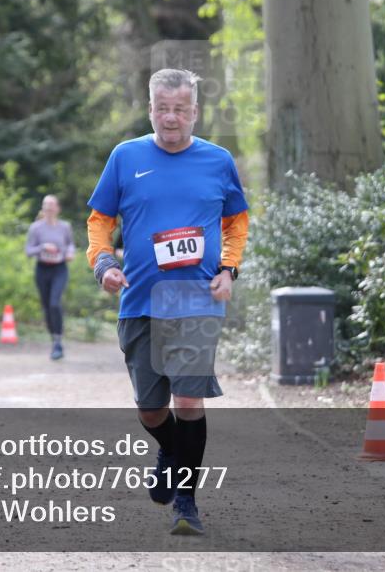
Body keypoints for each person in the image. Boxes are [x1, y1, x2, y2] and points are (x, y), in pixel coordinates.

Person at [86, 68, 249, 535]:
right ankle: (170, 447)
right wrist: (103, 264)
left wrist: (228, 268)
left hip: (196, 300)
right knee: (151, 410)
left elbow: (237, 221)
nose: (171, 118)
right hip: (139, 298)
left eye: (180, 109)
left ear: (195, 112)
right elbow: (99, 220)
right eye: (163, 108)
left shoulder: (218, 161)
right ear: (150, 109)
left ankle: (186, 502)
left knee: (189, 400)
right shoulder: (126, 157)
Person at [25, 194, 75, 360]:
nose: (49, 208)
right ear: (43, 208)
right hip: (42, 269)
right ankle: (54, 340)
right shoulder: (36, 228)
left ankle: (58, 341)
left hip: (60, 269)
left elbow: (70, 245)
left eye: (52, 205)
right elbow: (28, 250)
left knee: (55, 303)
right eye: (46, 205)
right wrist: (42, 247)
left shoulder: (65, 227)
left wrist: (69, 253)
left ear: (57, 208)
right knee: (47, 306)